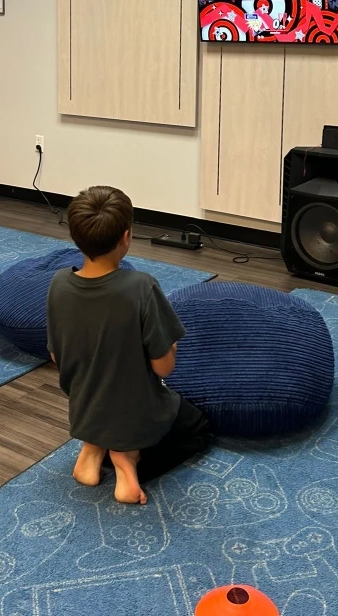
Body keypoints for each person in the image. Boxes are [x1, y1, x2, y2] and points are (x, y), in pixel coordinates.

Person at [47, 186, 213, 505]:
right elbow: (164, 367)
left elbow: (57, 355)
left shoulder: (58, 285)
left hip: (85, 412)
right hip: (139, 419)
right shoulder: (142, 287)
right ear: (126, 237)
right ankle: (129, 462)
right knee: (199, 426)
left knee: (108, 400)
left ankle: (94, 448)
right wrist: (169, 346)